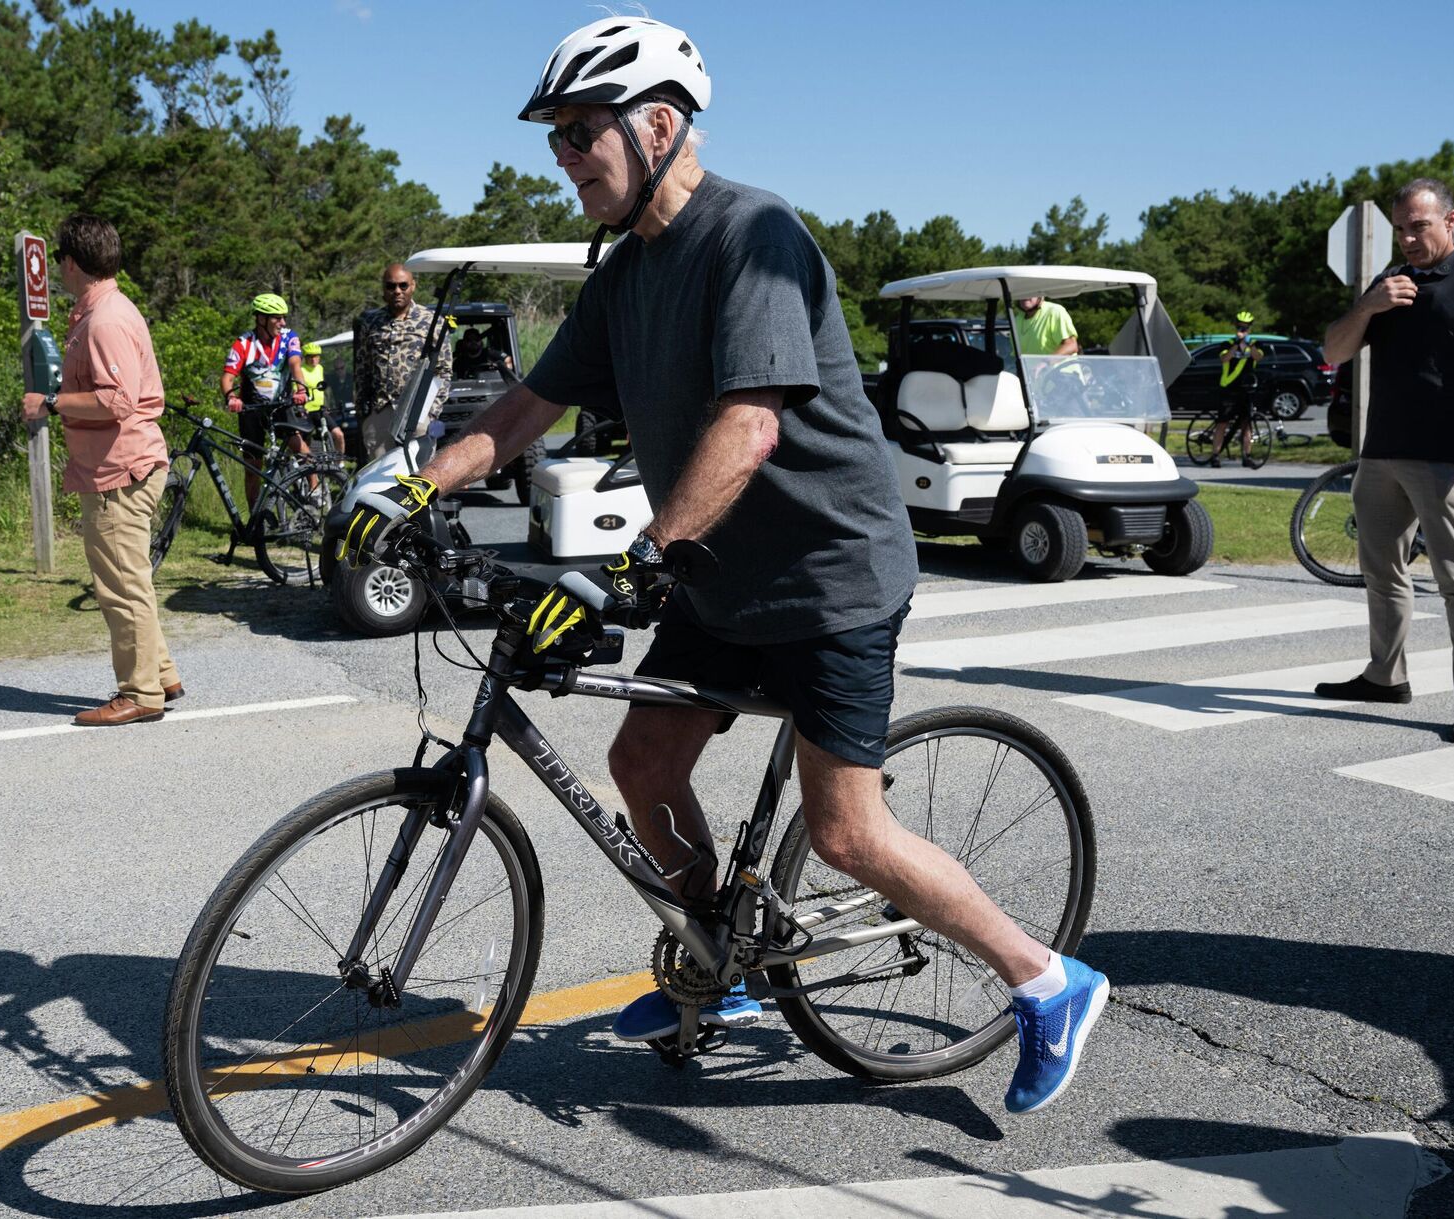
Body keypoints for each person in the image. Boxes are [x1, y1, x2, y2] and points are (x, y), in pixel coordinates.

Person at [339, 16, 1107, 1116]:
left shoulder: (757, 236)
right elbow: (524, 407)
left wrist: (636, 562)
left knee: (845, 830)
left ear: (659, 125)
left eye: (579, 132)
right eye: (554, 137)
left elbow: (751, 425)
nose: (564, 156)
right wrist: (421, 481)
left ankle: (1045, 979)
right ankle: (721, 960)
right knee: (645, 765)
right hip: (719, 573)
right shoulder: (623, 273)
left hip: (828, 574)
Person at [1314, 178, 1454, 743]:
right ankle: (1386, 677)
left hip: (1447, 459)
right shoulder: (1390, 282)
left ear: (1451, 220)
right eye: (1401, 228)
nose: (1409, 238)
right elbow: (1333, 351)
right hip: (1382, 453)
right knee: (1381, 572)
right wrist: (1368, 305)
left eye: (1420, 226)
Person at [21, 213, 182, 726]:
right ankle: (162, 675)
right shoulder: (102, 310)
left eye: (60, 262)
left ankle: (140, 694)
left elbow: (116, 401)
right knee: (131, 578)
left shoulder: (106, 319)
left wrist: (49, 402)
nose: (59, 271)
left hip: (120, 473)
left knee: (120, 586)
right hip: (122, 467)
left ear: (71, 262)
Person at [354, 264, 452, 458]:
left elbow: (443, 370)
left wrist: (432, 411)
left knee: (419, 475)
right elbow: (362, 369)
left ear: (413, 286)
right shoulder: (371, 323)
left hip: (418, 411)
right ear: (383, 288)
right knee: (378, 477)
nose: (397, 291)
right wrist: (364, 414)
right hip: (381, 411)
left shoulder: (432, 321)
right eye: (391, 286)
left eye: (403, 285)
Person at [221, 293, 309, 507]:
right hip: (251, 410)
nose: (283, 322)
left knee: (300, 448)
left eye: (283, 317)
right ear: (261, 319)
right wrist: (231, 397)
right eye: (276, 318)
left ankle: (316, 493)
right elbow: (227, 377)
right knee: (253, 466)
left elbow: (296, 364)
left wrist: (300, 389)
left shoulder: (289, 337)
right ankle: (254, 516)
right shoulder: (243, 343)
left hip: (281, 405)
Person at [1207, 311, 1266, 469]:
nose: (1243, 330)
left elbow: (1257, 357)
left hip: (1246, 390)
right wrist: (1236, 344)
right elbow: (1224, 358)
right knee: (1222, 423)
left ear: (1250, 329)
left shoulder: (1255, 343)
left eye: (1245, 328)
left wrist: (1249, 344)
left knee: (1247, 424)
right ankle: (1215, 455)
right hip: (1228, 388)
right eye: (1240, 328)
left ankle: (1246, 456)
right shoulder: (1227, 343)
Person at [298, 339, 346, 457]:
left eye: (316, 356)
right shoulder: (300, 370)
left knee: (339, 435)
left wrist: (327, 405)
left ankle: (339, 465)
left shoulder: (320, 368)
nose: (314, 359)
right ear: (305, 357)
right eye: (310, 357)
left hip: (320, 409)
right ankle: (297, 467)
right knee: (303, 443)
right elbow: (296, 391)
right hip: (306, 411)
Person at [1012, 295, 1079, 357]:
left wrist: (1046, 363)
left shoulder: (1055, 311)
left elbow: (1071, 345)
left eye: (1030, 291)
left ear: (1040, 295)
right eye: (1022, 292)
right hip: (1031, 370)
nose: (1025, 295)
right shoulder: (1017, 319)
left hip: (1061, 369)